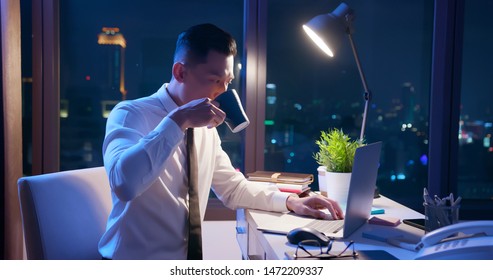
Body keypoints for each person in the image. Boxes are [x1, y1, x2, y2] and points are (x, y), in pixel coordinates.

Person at [98, 23, 344, 260]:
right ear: (180, 72)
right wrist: (178, 121)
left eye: (228, 82)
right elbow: (124, 184)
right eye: (216, 80)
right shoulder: (131, 114)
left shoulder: (204, 128)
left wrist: (291, 202)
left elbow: (232, 188)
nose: (222, 92)